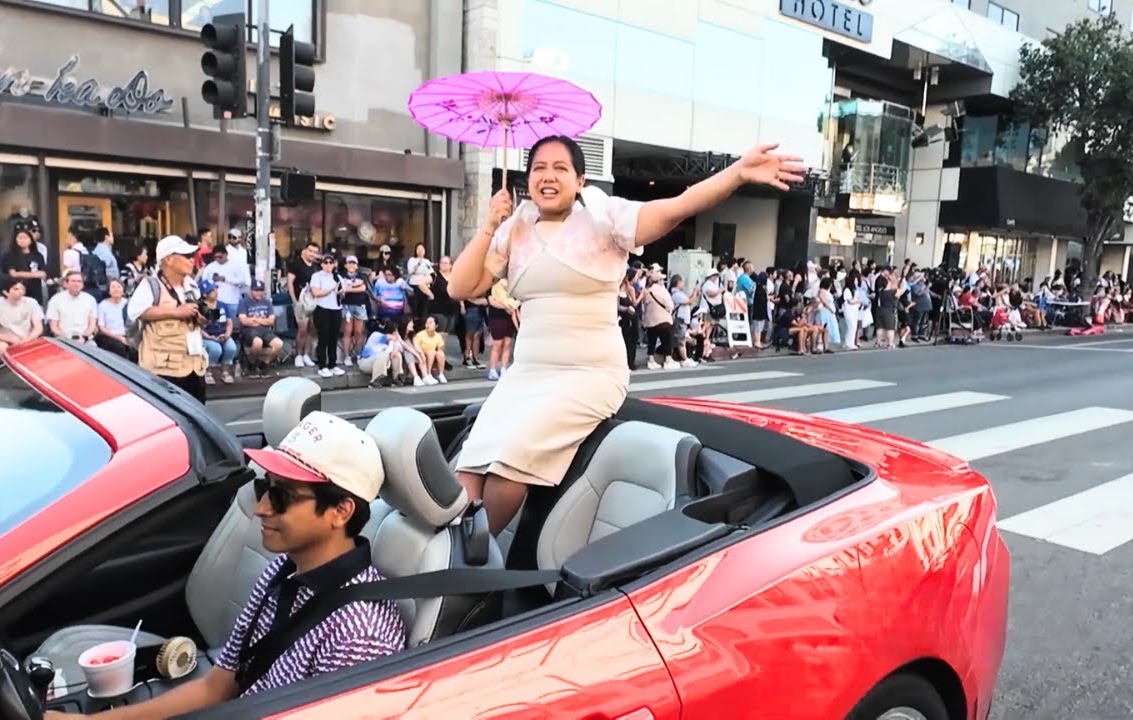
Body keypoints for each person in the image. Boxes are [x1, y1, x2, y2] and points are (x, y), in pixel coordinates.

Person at [446, 135, 805, 534]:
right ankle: (452, 553)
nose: (548, 176)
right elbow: (460, 288)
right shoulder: (515, 228)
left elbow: (676, 207)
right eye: (539, 169)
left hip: (589, 373)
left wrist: (737, 173)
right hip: (527, 373)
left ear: (580, 180)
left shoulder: (603, 217)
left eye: (560, 168)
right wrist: (489, 224)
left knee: (508, 467)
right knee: (471, 465)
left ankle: (471, 565)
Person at [45, 412, 404, 720]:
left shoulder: (360, 635)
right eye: (266, 487)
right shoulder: (282, 570)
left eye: (281, 497)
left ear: (340, 512)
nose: (262, 507)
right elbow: (219, 684)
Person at [127, 235, 210, 402]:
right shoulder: (151, 284)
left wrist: (200, 319)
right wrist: (176, 312)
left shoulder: (191, 285)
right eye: (186, 257)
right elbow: (136, 312)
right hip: (163, 368)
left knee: (197, 417)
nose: (192, 261)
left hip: (194, 365)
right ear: (169, 259)